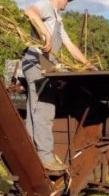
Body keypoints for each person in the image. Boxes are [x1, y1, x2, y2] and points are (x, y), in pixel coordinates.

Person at [23, 0, 96, 171]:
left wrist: (87, 64)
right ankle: (45, 158)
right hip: (36, 63)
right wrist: (45, 35)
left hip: (45, 66)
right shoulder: (46, 5)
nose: (67, 4)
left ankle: (31, 154)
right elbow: (30, 12)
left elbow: (69, 46)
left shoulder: (57, 18)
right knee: (44, 109)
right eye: (68, 1)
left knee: (35, 109)